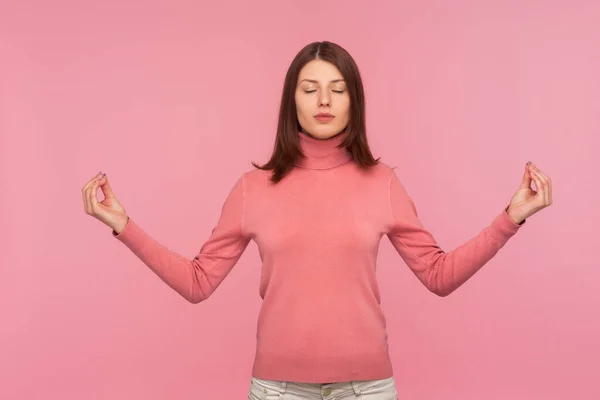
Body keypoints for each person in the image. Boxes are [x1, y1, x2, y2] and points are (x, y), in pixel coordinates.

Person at [81, 41, 553, 399]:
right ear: (293, 102)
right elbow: (197, 282)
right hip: (277, 389)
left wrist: (510, 218)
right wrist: (123, 224)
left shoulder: (381, 182)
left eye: (337, 88)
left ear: (353, 101)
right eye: (310, 89)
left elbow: (438, 274)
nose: (323, 100)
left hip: (366, 388)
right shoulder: (254, 188)